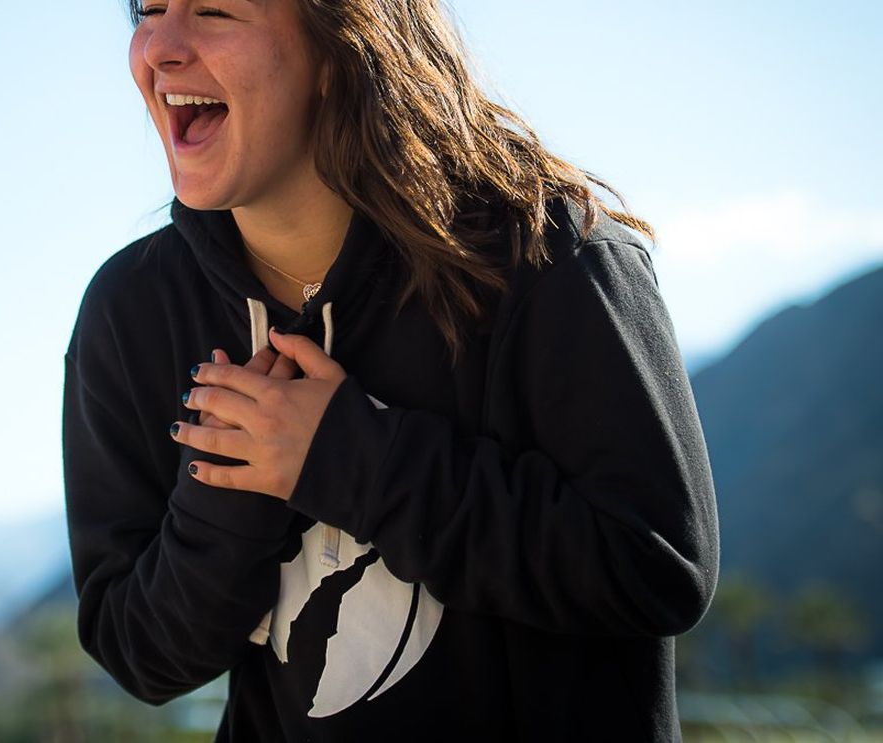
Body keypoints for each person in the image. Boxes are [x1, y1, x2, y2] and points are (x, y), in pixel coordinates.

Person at [61, 0, 721, 740]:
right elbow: (139, 652)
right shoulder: (133, 312)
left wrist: (349, 459)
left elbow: (657, 565)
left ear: (339, 46)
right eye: (149, 10)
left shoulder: (548, 255)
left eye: (214, 11)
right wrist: (229, 500)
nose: (160, 48)